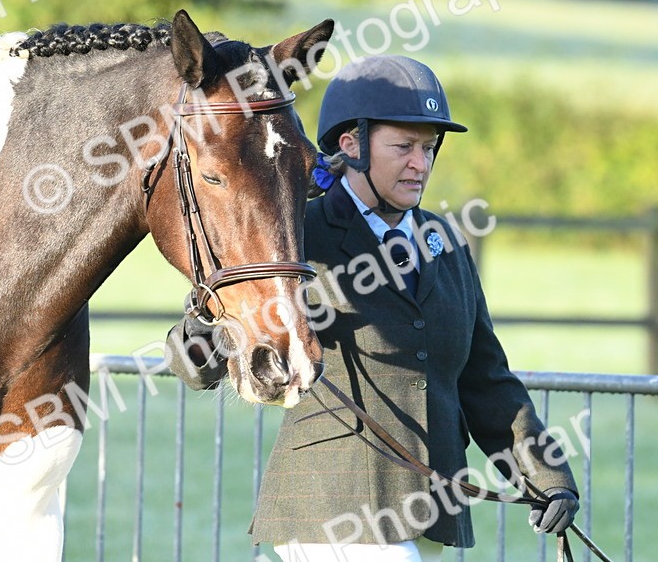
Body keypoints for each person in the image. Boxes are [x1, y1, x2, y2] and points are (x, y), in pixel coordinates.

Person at [164, 55, 579, 562]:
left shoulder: (445, 244)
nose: (420, 164)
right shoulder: (300, 233)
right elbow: (200, 356)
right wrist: (204, 321)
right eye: (403, 147)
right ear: (351, 145)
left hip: (429, 506)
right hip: (332, 503)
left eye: (428, 148)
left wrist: (548, 477)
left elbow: (485, 379)